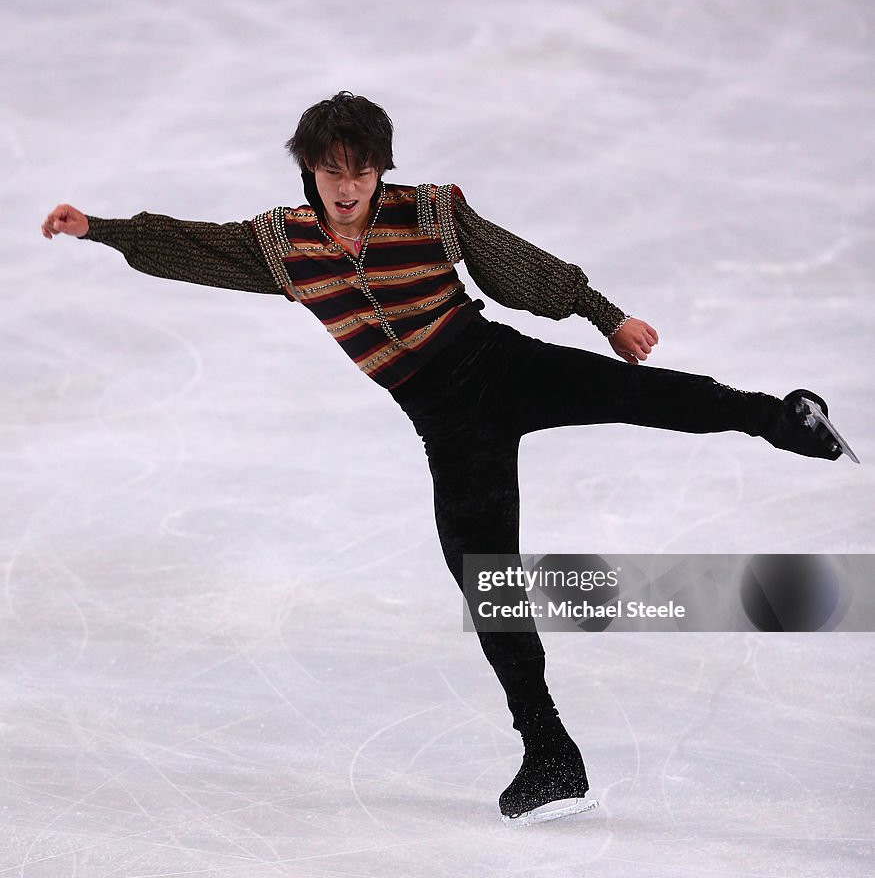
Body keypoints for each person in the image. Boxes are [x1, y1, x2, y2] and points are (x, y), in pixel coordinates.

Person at [41, 91, 843, 826]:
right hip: (449, 426)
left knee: (648, 398)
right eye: (330, 171)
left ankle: (783, 419)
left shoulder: (428, 212)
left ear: (381, 168)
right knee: (485, 580)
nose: (346, 186)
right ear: (309, 171)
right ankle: (550, 755)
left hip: (501, 365)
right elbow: (193, 246)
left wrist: (605, 316)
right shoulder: (280, 246)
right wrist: (101, 229)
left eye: (360, 171)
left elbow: (518, 266)